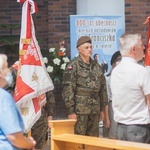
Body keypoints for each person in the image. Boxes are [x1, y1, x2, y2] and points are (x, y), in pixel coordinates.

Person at [62, 36, 108, 137]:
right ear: (79, 49)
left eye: (91, 47)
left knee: (93, 141)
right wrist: (71, 111)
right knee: (79, 141)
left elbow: (103, 89)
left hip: (95, 110)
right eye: (86, 47)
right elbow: (68, 89)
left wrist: (102, 110)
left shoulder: (97, 66)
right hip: (79, 111)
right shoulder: (73, 65)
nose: (90, 50)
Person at [111, 33, 150, 143]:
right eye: (141, 45)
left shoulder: (115, 71)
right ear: (133, 49)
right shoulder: (140, 71)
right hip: (139, 129)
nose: (144, 48)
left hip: (120, 129)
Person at [0, 54, 36, 150]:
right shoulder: (3, 97)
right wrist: (29, 144)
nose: (9, 71)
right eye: (6, 68)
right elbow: (14, 137)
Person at [103, 51, 121, 138]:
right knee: (112, 135)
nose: (120, 62)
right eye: (118, 60)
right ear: (113, 63)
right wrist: (106, 118)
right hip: (112, 108)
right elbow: (105, 100)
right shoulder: (108, 79)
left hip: (125, 108)